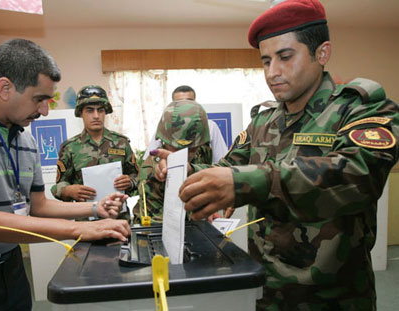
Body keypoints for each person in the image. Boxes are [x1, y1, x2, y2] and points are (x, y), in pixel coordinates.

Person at [153, 0, 399, 309]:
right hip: (266, 290)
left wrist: (246, 182)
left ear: (321, 53)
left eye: (285, 57)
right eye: (266, 60)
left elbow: (358, 175)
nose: (273, 72)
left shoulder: (362, 108)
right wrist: (186, 170)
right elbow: (230, 168)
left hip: (334, 297)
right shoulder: (263, 120)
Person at [0, 39, 130, 311]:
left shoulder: (26, 139)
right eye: (39, 99)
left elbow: (39, 205)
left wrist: (96, 207)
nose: (45, 111)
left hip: (11, 270)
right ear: (5, 88)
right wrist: (80, 229)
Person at [51, 85, 138, 207]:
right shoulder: (70, 147)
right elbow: (58, 185)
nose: (96, 115)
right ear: (81, 113)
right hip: (85, 219)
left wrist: (130, 182)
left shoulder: (121, 143)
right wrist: (67, 190)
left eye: (100, 110)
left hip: (118, 217)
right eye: (90, 110)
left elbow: (138, 176)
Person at [135, 100, 219, 224]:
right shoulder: (151, 172)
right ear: (164, 141)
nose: (185, 154)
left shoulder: (203, 151)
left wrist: (208, 207)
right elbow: (159, 228)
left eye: (192, 148)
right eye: (177, 148)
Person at [143, 85, 228, 163]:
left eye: (189, 101)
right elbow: (149, 161)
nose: (185, 105)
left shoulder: (210, 126)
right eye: (179, 102)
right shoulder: (166, 126)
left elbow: (220, 159)